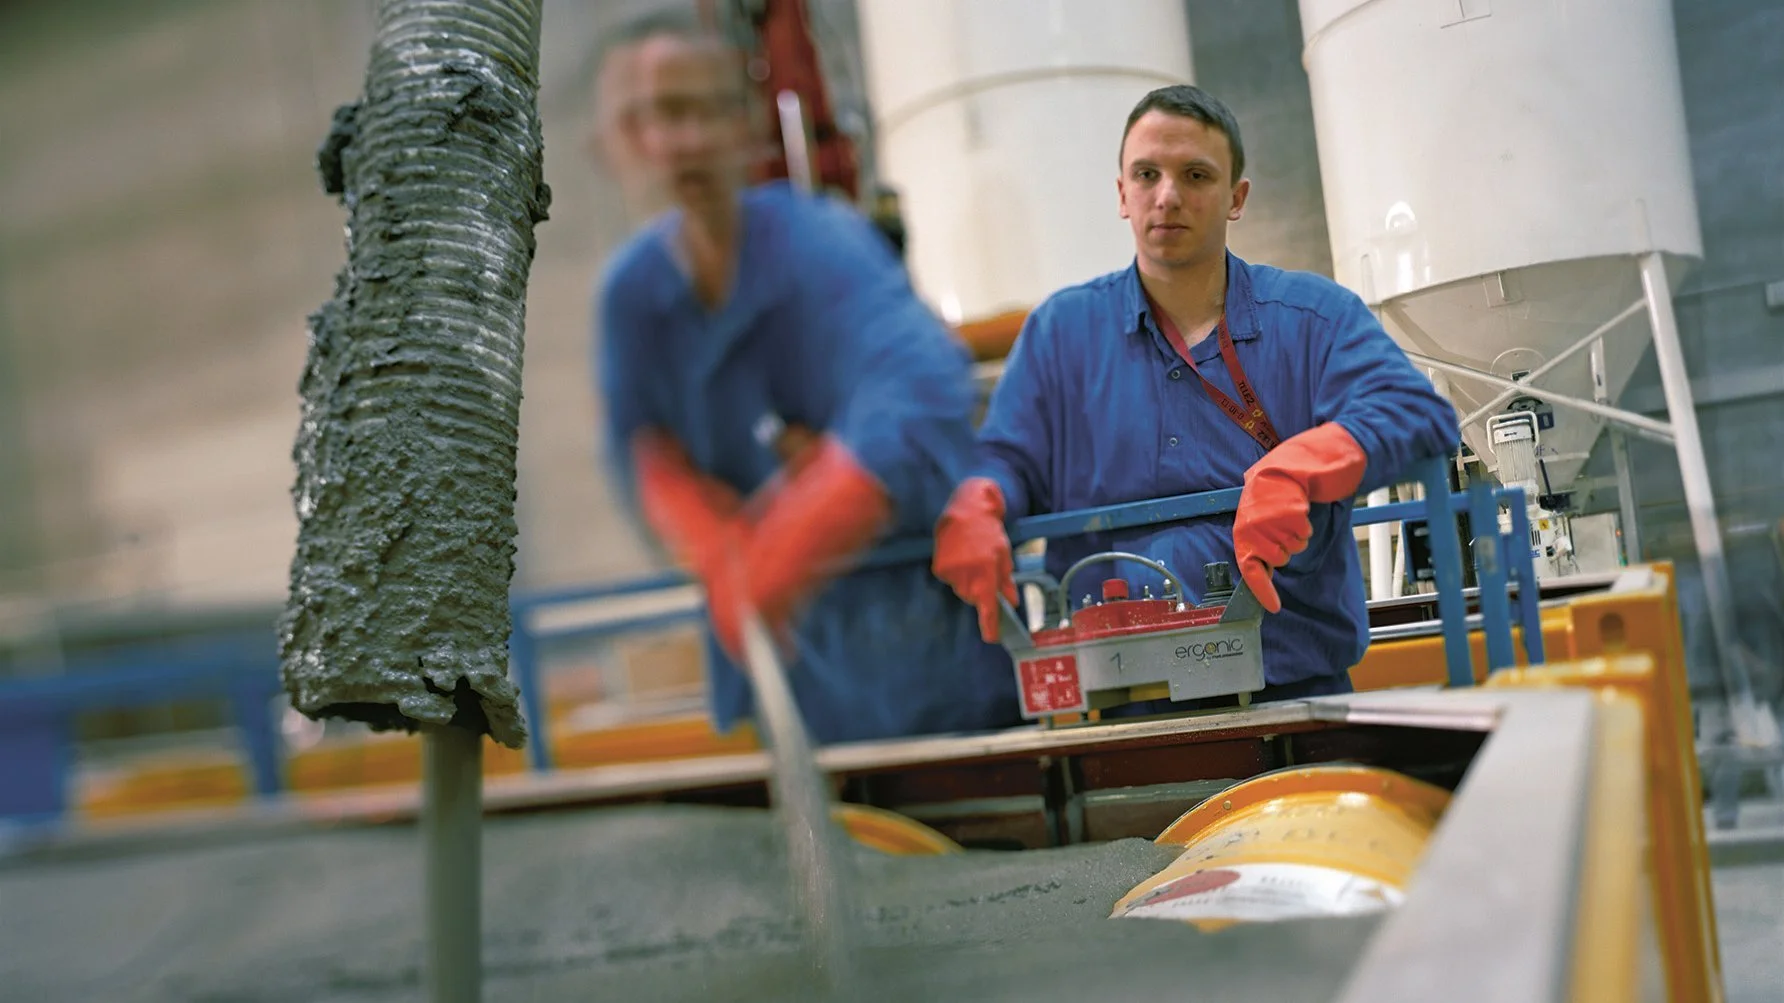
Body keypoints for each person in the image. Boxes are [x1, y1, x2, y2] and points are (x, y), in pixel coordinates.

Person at [932, 85, 1461, 707]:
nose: (1168, 196)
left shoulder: (1312, 318)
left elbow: (1417, 412)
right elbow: (1007, 457)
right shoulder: (1060, 335)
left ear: (1236, 197)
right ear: (1122, 194)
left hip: (1292, 696)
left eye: (1196, 175)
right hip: (1113, 709)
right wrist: (978, 500)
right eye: (1147, 175)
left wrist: (1302, 466)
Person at [589, 12, 1020, 744]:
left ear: (743, 123)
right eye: (646, 119)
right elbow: (641, 445)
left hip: (930, 674)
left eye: (696, 111)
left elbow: (923, 390)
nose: (675, 142)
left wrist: (792, 540)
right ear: (611, 144)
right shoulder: (631, 296)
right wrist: (709, 540)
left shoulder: (822, 244)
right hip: (784, 698)